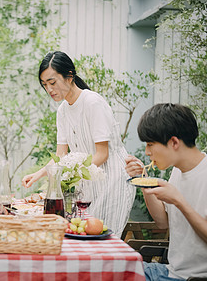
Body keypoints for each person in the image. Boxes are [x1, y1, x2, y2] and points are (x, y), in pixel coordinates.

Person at [22, 51, 135, 237]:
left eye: (52, 82)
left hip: (112, 180)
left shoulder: (92, 102)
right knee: (83, 235)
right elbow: (61, 156)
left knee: (103, 238)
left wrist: (71, 175)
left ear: (69, 77)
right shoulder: (63, 111)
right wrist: (39, 174)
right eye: (45, 85)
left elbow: (102, 154)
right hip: (88, 180)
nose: (49, 89)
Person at [125, 103, 207, 280]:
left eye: (150, 144)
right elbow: (163, 222)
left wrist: (179, 201)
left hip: (195, 278)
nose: (147, 152)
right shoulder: (178, 172)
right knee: (112, 267)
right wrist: (145, 183)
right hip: (172, 271)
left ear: (174, 142)